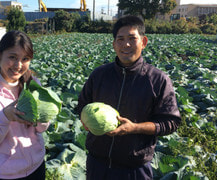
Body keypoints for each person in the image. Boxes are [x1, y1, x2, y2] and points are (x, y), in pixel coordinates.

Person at [77, 15, 181, 180]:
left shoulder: (158, 80)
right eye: (120, 39)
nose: (126, 44)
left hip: (134, 169)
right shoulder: (99, 75)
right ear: (114, 44)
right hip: (97, 165)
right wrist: (86, 120)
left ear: (143, 42)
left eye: (132, 39)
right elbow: (81, 105)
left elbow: (171, 122)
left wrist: (135, 128)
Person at [0, 31, 49, 180]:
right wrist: (4, 117)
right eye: (12, 57)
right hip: (4, 175)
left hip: (37, 167)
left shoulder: (33, 84)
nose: (18, 65)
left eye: (25, 58)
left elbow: (42, 128)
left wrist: (41, 117)